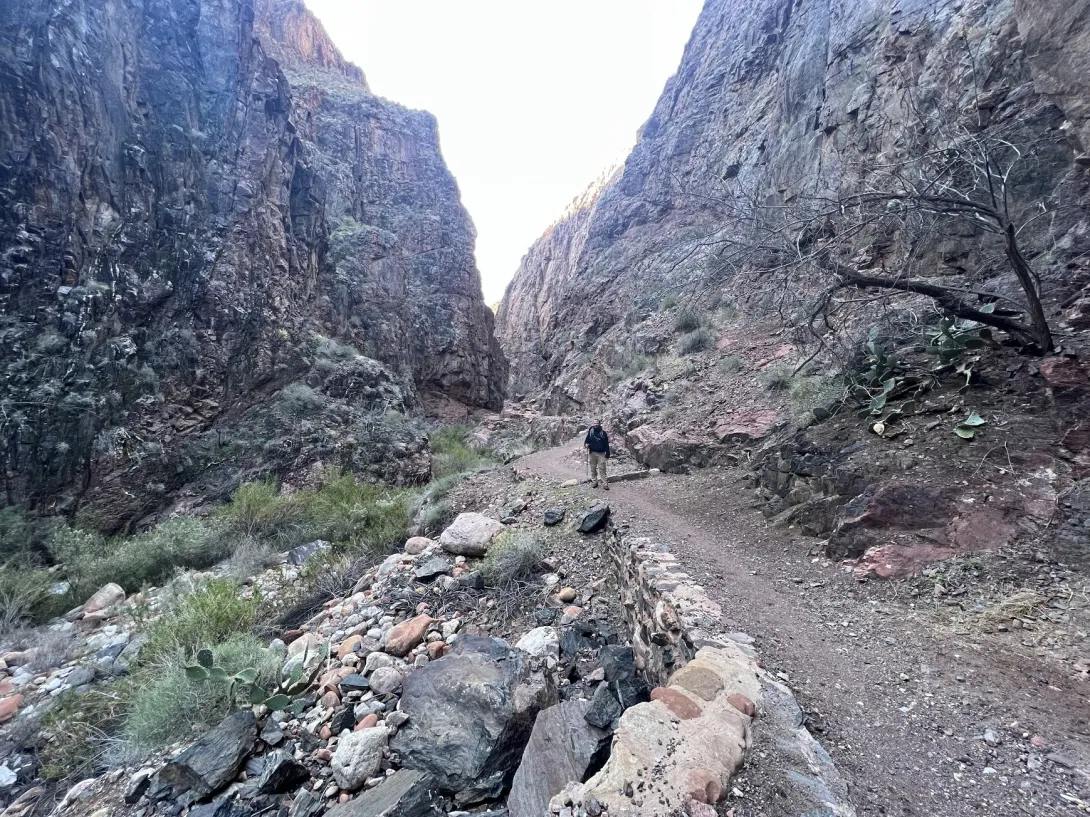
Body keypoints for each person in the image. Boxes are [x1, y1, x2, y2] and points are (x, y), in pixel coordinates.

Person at [584, 418, 610, 489]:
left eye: (597, 423)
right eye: (594, 423)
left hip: (601, 453)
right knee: (593, 468)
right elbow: (587, 440)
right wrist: (586, 444)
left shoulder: (603, 433)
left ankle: (605, 483)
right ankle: (594, 482)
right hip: (592, 452)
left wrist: (607, 453)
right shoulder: (590, 431)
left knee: (602, 468)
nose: (595, 425)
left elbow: (606, 444)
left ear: (599, 424)